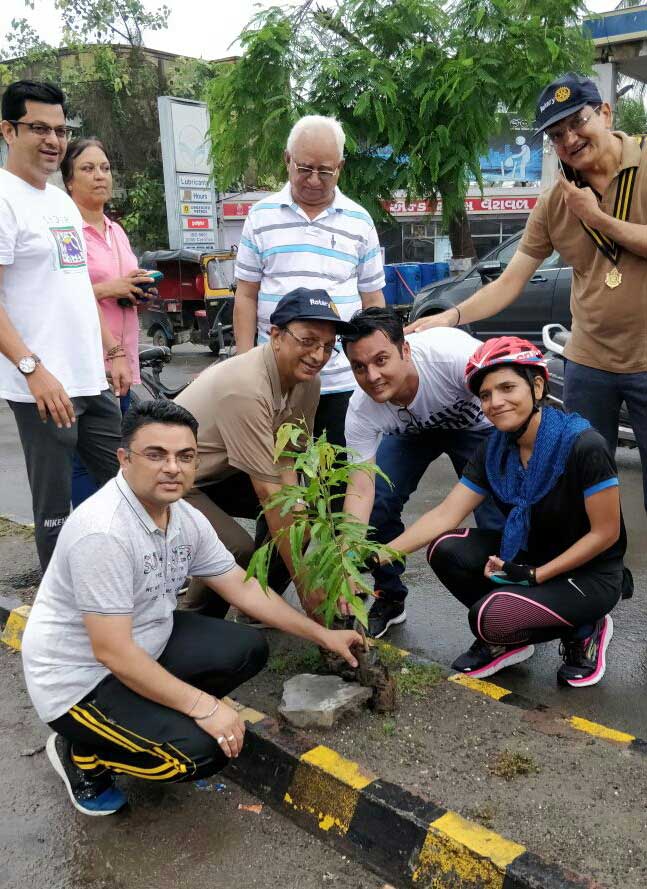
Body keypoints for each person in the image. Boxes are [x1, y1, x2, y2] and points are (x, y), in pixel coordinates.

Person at [21, 398, 361, 816]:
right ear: (123, 459)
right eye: (155, 454)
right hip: (80, 683)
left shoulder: (182, 514)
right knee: (202, 754)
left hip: (143, 645)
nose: (172, 467)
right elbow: (111, 651)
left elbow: (240, 586)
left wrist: (322, 633)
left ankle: (143, 719)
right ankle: (82, 754)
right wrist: (205, 707)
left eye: (185, 456)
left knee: (247, 648)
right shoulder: (104, 533)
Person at [407, 72, 647, 518]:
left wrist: (599, 219)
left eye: (578, 122)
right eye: (557, 135)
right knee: (586, 489)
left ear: (606, 113)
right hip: (590, 363)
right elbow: (510, 281)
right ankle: (599, 583)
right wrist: (450, 316)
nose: (571, 139)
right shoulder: (556, 200)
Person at [382, 336, 626, 687]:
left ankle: (587, 629)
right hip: (529, 556)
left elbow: (606, 534)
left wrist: (534, 575)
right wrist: (379, 556)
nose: (495, 402)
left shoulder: (583, 444)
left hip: (589, 574)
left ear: (537, 385)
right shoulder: (494, 449)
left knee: (487, 619)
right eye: (485, 395)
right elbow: (445, 515)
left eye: (507, 387)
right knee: (445, 548)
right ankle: (512, 638)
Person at [0, 81, 130, 570]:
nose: (53, 140)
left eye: (59, 129)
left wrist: (112, 351)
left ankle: (124, 585)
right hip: (42, 388)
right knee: (55, 512)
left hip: (90, 378)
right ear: (8, 131)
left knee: (128, 483)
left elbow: (76, 288)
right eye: (39, 128)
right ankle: (63, 622)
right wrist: (33, 370)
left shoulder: (59, 203)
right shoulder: (4, 199)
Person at [175, 287, 354, 619]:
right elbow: (268, 490)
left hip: (223, 472)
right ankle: (194, 623)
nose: (318, 355)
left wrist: (297, 510)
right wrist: (307, 589)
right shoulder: (246, 386)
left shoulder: (308, 382)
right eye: (307, 340)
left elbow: (288, 456)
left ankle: (257, 607)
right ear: (275, 335)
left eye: (328, 347)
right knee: (235, 549)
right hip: (177, 481)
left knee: (301, 514)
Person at [340, 307, 503, 638]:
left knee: (498, 510)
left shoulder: (455, 358)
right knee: (377, 503)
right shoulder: (361, 410)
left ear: (405, 350)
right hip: (413, 432)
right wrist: (346, 559)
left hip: (478, 429)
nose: (372, 376)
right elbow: (360, 488)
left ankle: (509, 607)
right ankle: (389, 596)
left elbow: (512, 401)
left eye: (381, 360)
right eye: (359, 366)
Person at [233, 114, 385, 448]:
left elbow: (373, 300)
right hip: (275, 379)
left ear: (340, 168)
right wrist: (244, 366)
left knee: (339, 483)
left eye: (325, 171)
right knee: (277, 479)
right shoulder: (261, 216)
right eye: (304, 168)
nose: (314, 180)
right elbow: (246, 295)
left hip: (342, 382)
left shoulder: (360, 221)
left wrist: (373, 368)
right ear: (287, 160)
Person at [60, 136, 157, 505]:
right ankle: (88, 538)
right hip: (87, 362)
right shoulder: (67, 230)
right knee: (85, 463)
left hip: (123, 362)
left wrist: (138, 289)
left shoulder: (115, 231)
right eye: (87, 168)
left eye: (105, 168)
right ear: (69, 180)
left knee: (122, 455)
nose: (100, 176)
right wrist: (107, 288)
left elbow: (124, 286)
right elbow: (64, 293)